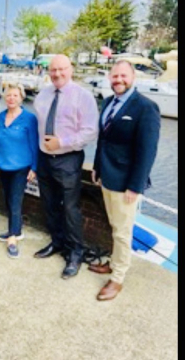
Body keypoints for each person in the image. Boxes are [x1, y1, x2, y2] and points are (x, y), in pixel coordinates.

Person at [90, 60, 160, 301]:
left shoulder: (145, 108)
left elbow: (147, 151)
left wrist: (135, 185)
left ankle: (118, 278)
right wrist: (97, 167)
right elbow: (103, 140)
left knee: (122, 232)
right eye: (115, 76)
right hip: (107, 176)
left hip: (126, 183)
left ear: (133, 78)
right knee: (114, 225)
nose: (118, 80)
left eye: (123, 76)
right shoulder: (109, 102)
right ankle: (113, 262)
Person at [33, 54, 99, 279]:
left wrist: (62, 142)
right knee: (50, 204)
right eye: (53, 70)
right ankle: (57, 242)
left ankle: (76, 252)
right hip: (44, 159)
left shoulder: (83, 97)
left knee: (70, 209)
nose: (57, 74)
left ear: (71, 69)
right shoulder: (42, 95)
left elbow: (90, 131)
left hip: (68, 159)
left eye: (62, 69)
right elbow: (39, 126)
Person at [0, 84, 38, 258]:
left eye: (15, 95)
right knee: (8, 199)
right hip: (3, 166)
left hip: (21, 167)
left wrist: (34, 167)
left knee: (15, 201)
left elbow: (35, 144)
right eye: (8, 95)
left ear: (21, 98)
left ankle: (13, 238)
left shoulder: (29, 118)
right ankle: (16, 229)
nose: (11, 98)